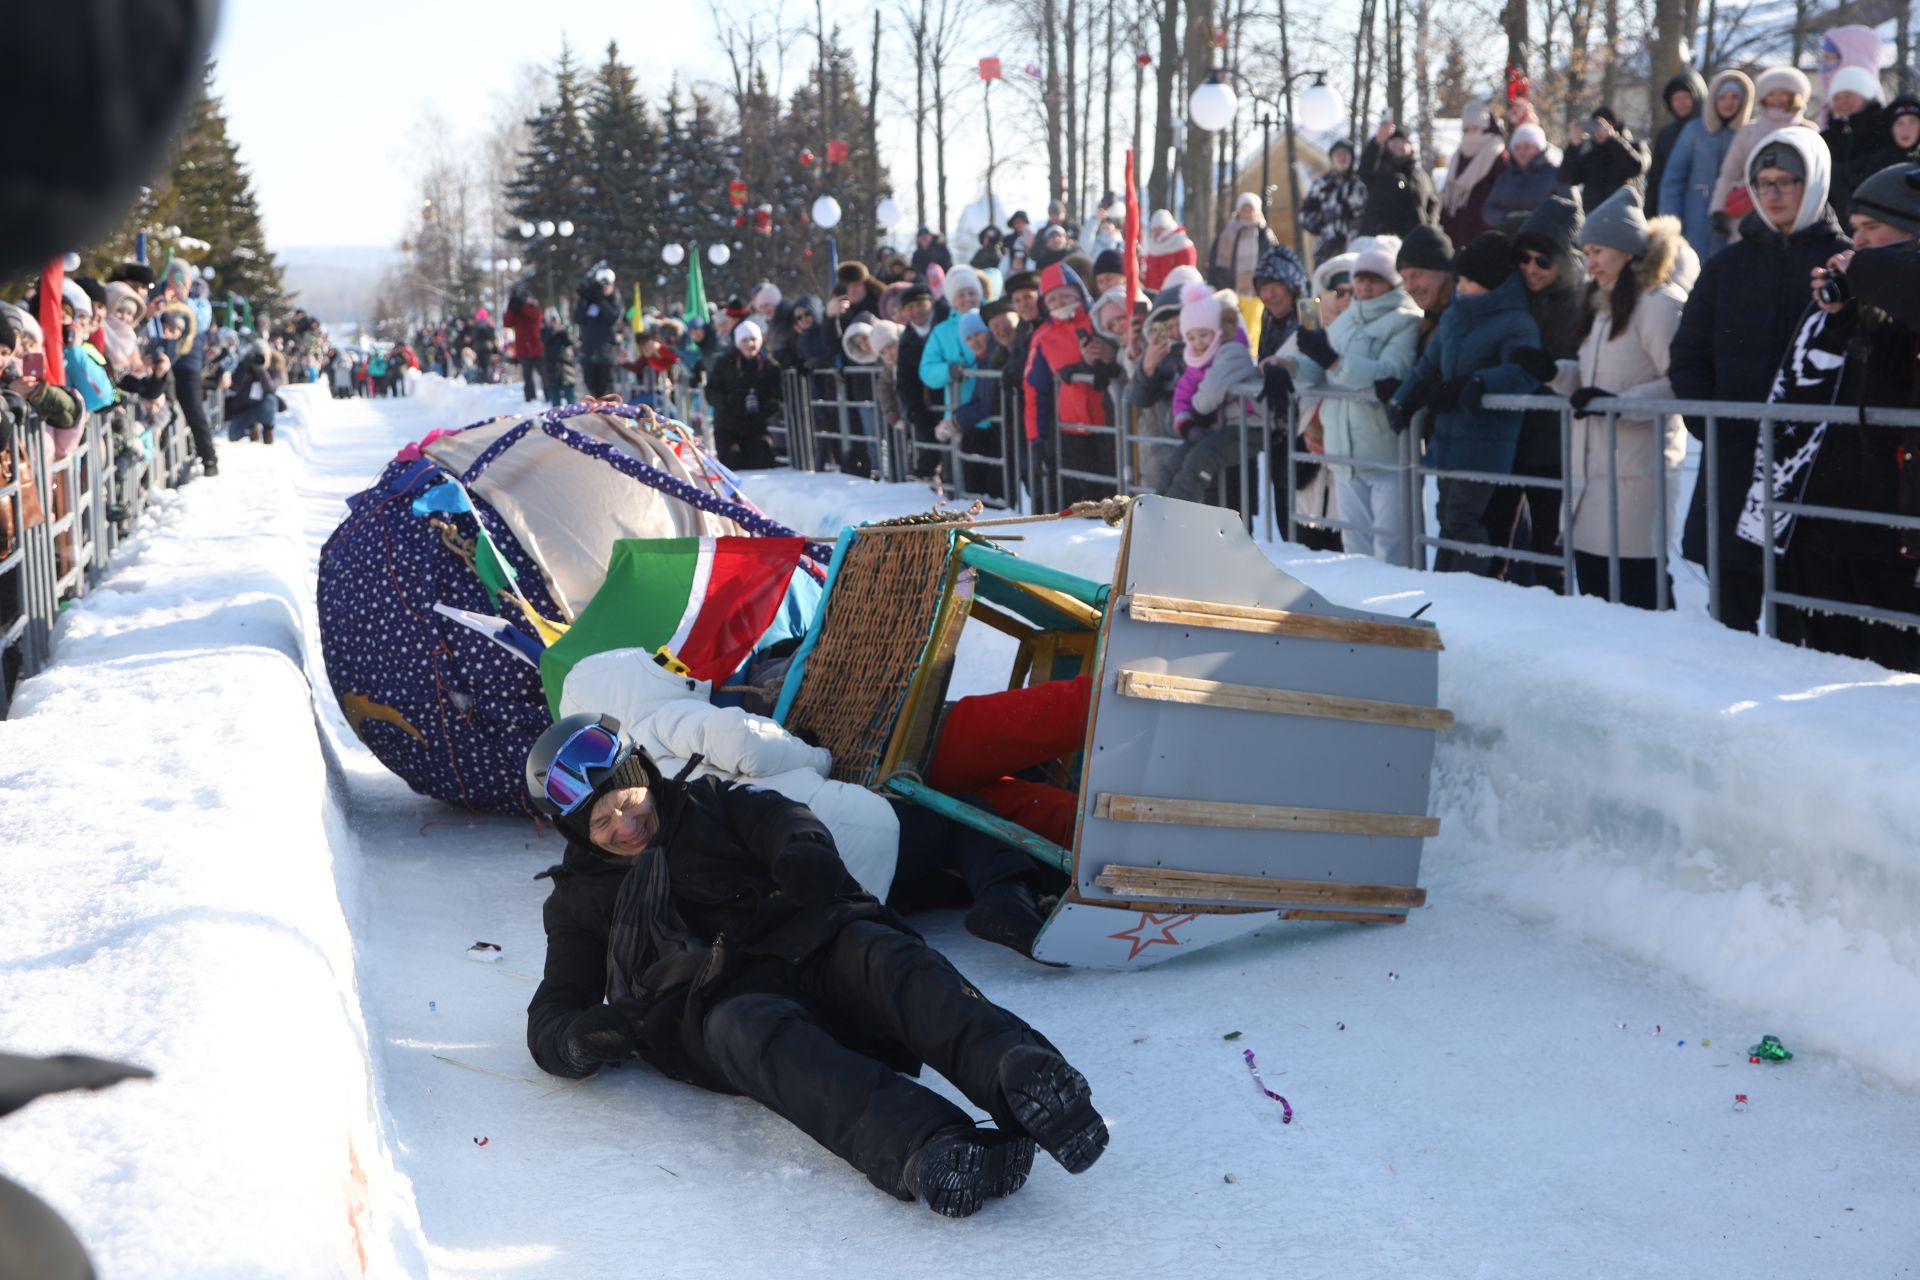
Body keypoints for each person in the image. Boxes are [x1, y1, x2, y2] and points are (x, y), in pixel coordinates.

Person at [522, 715, 1108, 1218]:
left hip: (809, 940)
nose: (627, 827)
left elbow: (784, 819)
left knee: (883, 957)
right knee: (750, 1032)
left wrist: (803, 852)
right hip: (722, 1004)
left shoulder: (709, 805)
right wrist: (577, 1040)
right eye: (602, 824)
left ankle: (1020, 1076)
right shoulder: (578, 902)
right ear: (579, 833)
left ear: (643, 777)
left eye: (628, 803)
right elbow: (550, 1015)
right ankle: (930, 1148)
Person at [1671, 127, 1852, 634]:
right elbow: (1688, 353)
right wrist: (1709, 420)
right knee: (1730, 614)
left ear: (1813, 181)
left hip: (1811, 471)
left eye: (1787, 181)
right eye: (1763, 181)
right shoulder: (1727, 266)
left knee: (1805, 626)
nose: (1772, 193)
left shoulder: (1846, 264)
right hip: (1733, 461)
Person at [1743, 163, 1920, 669]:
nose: (1857, 244)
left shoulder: (1895, 283)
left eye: (1870, 231)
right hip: (1854, 506)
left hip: (1895, 517)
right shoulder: (1878, 291)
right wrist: (1845, 320)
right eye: (1854, 229)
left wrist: (1865, 274)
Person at [1522, 188, 1696, 608]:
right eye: (1588, 251)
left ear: (1626, 249)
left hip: (1637, 478)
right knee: (1598, 597)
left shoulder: (1659, 304)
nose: (1591, 261)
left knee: (1639, 594)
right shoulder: (1601, 306)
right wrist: (1554, 373)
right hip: (1591, 478)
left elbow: (1683, 383)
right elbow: (1590, 381)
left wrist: (1616, 404)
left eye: (1599, 250)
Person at [1389, 232, 1541, 574]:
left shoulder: (1515, 322)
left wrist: (1481, 383)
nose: (1462, 287)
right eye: (1461, 279)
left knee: (1463, 516)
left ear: (1494, 284)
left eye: (1471, 281)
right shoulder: (1455, 318)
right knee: (1446, 514)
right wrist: (1403, 399)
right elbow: (1428, 364)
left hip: (1486, 441)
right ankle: (1446, 584)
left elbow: (1523, 371)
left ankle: (1473, 584)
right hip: (1449, 437)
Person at [1284, 237, 1423, 561]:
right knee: (1355, 553)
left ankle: (1398, 609)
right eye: (1359, 279)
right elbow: (1320, 369)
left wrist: (1333, 361)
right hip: (1344, 455)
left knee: (1392, 549)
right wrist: (1289, 365)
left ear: (1391, 283)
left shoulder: (1406, 319)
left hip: (1385, 453)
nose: (1363, 287)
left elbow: (1393, 371)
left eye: (1373, 280)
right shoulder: (1346, 320)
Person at [1487, 196, 1586, 590]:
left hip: (1553, 442)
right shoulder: (1512, 294)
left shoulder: (1580, 303)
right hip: (1510, 436)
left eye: (1543, 261)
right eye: (1524, 258)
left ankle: (1553, 632)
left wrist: (1548, 368)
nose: (1531, 268)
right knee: (1497, 544)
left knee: (1549, 550)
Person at [1161, 284, 1259, 504]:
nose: (1198, 343)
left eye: (1204, 335)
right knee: (1177, 460)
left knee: (1200, 460)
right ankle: (1153, 509)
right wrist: (1186, 424)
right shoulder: (1197, 363)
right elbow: (1183, 394)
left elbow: (1210, 393)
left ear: (1219, 331)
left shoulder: (1232, 350)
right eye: (1191, 337)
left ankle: (1173, 512)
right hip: (1219, 428)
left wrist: (1196, 412)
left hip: (1248, 424)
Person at [1022, 261, 1110, 503]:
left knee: (1115, 490)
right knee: (1086, 495)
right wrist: (1036, 437)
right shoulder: (1043, 336)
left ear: (1079, 293)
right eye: (1052, 300)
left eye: (1065, 296)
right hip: (1071, 426)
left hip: (1110, 420)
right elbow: (1034, 389)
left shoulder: (1099, 318)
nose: (1060, 303)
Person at [1709, 66, 1813, 247]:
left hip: (1796, 211)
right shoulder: (1748, 131)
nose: (1778, 99)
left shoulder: (1809, 131)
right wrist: (1718, 209)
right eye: (1772, 93)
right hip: (1747, 213)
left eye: (1784, 93)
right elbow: (1729, 173)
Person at [1660, 69, 1754, 261]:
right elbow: (1673, 180)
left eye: (1735, 97)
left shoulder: (1749, 133)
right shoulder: (1694, 130)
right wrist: (1671, 222)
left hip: (1733, 220)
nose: (1728, 103)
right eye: (1723, 97)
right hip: (1693, 220)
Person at [706, 319, 783, 470]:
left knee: (762, 461)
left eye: (753, 339)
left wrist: (761, 410)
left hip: (755, 427)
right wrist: (728, 403)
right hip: (727, 426)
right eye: (745, 340)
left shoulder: (769, 366)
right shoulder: (724, 363)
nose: (750, 344)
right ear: (738, 342)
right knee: (732, 462)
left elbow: (777, 397)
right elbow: (711, 391)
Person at [1820, 64, 1888, 221]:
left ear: (1865, 95)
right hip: (1835, 221)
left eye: (1848, 95)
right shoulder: (1827, 138)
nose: (1842, 102)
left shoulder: (1883, 133)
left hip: (1875, 218)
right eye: (1837, 97)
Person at [1440, 98, 1509, 247]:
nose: (1471, 134)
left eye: (1475, 128)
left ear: (1485, 128)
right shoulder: (1457, 156)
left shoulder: (1497, 155)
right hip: (1456, 235)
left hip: (1485, 236)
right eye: (1467, 129)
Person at [1557, 106, 1649, 212]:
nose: (1600, 130)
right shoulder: (1591, 156)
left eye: (1606, 124)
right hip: (1595, 218)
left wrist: (1612, 139)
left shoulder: (1635, 147)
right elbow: (1566, 178)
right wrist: (1573, 146)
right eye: (1596, 125)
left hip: (1625, 215)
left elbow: (1636, 168)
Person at [1359, 120, 1440, 237]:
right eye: (1394, 142)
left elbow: (1433, 203)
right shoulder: (1377, 172)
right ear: (1386, 146)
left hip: (1415, 242)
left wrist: (1430, 226)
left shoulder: (1420, 176)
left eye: (1403, 142)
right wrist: (1377, 141)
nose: (1400, 146)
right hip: (1384, 243)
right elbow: (1365, 169)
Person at [1483, 123, 1570, 231]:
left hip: (1545, 239)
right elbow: (1489, 209)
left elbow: (1570, 209)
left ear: (1539, 148)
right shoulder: (1505, 177)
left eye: (1527, 147)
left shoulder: (1557, 174)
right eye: (1517, 148)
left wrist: (1538, 219)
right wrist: (1507, 218)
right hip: (1511, 239)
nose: (1521, 152)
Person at [1648, 71, 1708, 216]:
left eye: (1686, 97)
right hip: (1670, 209)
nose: (1680, 103)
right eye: (1676, 98)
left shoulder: (1711, 132)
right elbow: (1656, 178)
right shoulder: (1666, 135)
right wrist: (1649, 214)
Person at [1298, 140, 1369, 261]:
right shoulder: (1321, 184)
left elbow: (1372, 212)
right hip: (1327, 250)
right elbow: (1304, 215)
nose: (1342, 158)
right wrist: (1324, 227)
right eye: (1338, 154)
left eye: (1345, 154)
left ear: (1352, 157)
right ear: (1332, 159)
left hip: (1357, 248)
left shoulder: (1362, 184)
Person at [1209, 193, 1279, 293]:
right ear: (1238, 210)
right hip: (1226, 287)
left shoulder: (1264, 234)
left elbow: (1273, 260)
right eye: (1244, 210)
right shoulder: (1226, 232)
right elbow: (1214, 259)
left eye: (1250, 210)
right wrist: (1213, 283)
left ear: (1257, 212)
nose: (1247, 213)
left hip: (1257, 289)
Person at [574, 270, 626, 398]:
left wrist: (600, 300)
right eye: (602, 285)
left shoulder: (615, 300)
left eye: (607, 285)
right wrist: (584, 299)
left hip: (606, 355)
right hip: (588, 353)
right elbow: (578, 318)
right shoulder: (589, 301)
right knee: (591, 390)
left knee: (605, 392)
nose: (604, 288)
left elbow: (613, 317)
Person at [1143, 208, 1199, 289]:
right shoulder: (1153, 247)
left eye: (1159, 229)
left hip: (1174, 295)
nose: (1156, 233)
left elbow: (1187, 276)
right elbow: (1149, 274)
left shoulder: (1183, 246)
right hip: (1154, 295)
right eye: (1154, 229)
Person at [504, 291, 544, 403]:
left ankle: (548, 396)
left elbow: (535, 317)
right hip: (523, 349)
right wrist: (510, 308)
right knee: (527, 376)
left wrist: (523, 306)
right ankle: (530, 398)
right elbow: (507, 322)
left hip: (537, 347)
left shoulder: (534, 309)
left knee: (543, 373)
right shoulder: (516, 311)